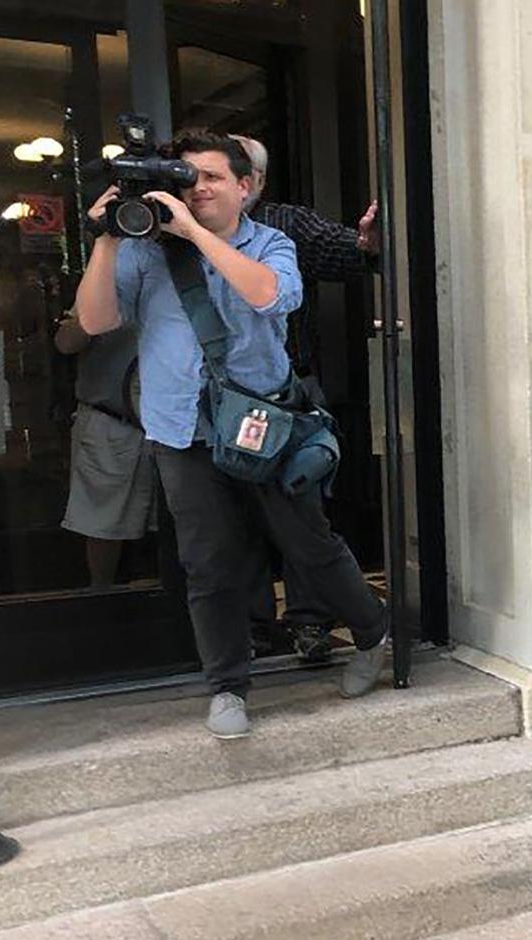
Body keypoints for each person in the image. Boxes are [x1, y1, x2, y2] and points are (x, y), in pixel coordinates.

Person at [76, 129, 390, 740]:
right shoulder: (145, 250)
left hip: (262, 424)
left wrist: (195, 234)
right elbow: (95, 320)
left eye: (211, 177)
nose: (196, 188)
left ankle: (373, 632)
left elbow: (271, 296)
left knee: (308, 545)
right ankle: (226, 686)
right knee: (208, 563)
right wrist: (107, 240)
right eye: (185, 177)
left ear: (245, 187)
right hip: (180, 431)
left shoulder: (270, 242)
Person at [234, 135, 380, 663]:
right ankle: (248, 626)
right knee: (233, 518)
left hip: (288, 394)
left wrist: (369, 244)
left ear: (255, 180)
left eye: (233, 169)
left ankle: (310, 622)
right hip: (214, 402)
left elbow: (352, 253)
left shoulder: (284, 226)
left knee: (301, 510)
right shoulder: (179, 231)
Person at [53, 307, 150, 587]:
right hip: (110, 419)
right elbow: (65, 343)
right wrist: (95, 311)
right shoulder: (104, 288)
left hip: (171, 424)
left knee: (177, 523)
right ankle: (102, 595)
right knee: (103, 524)